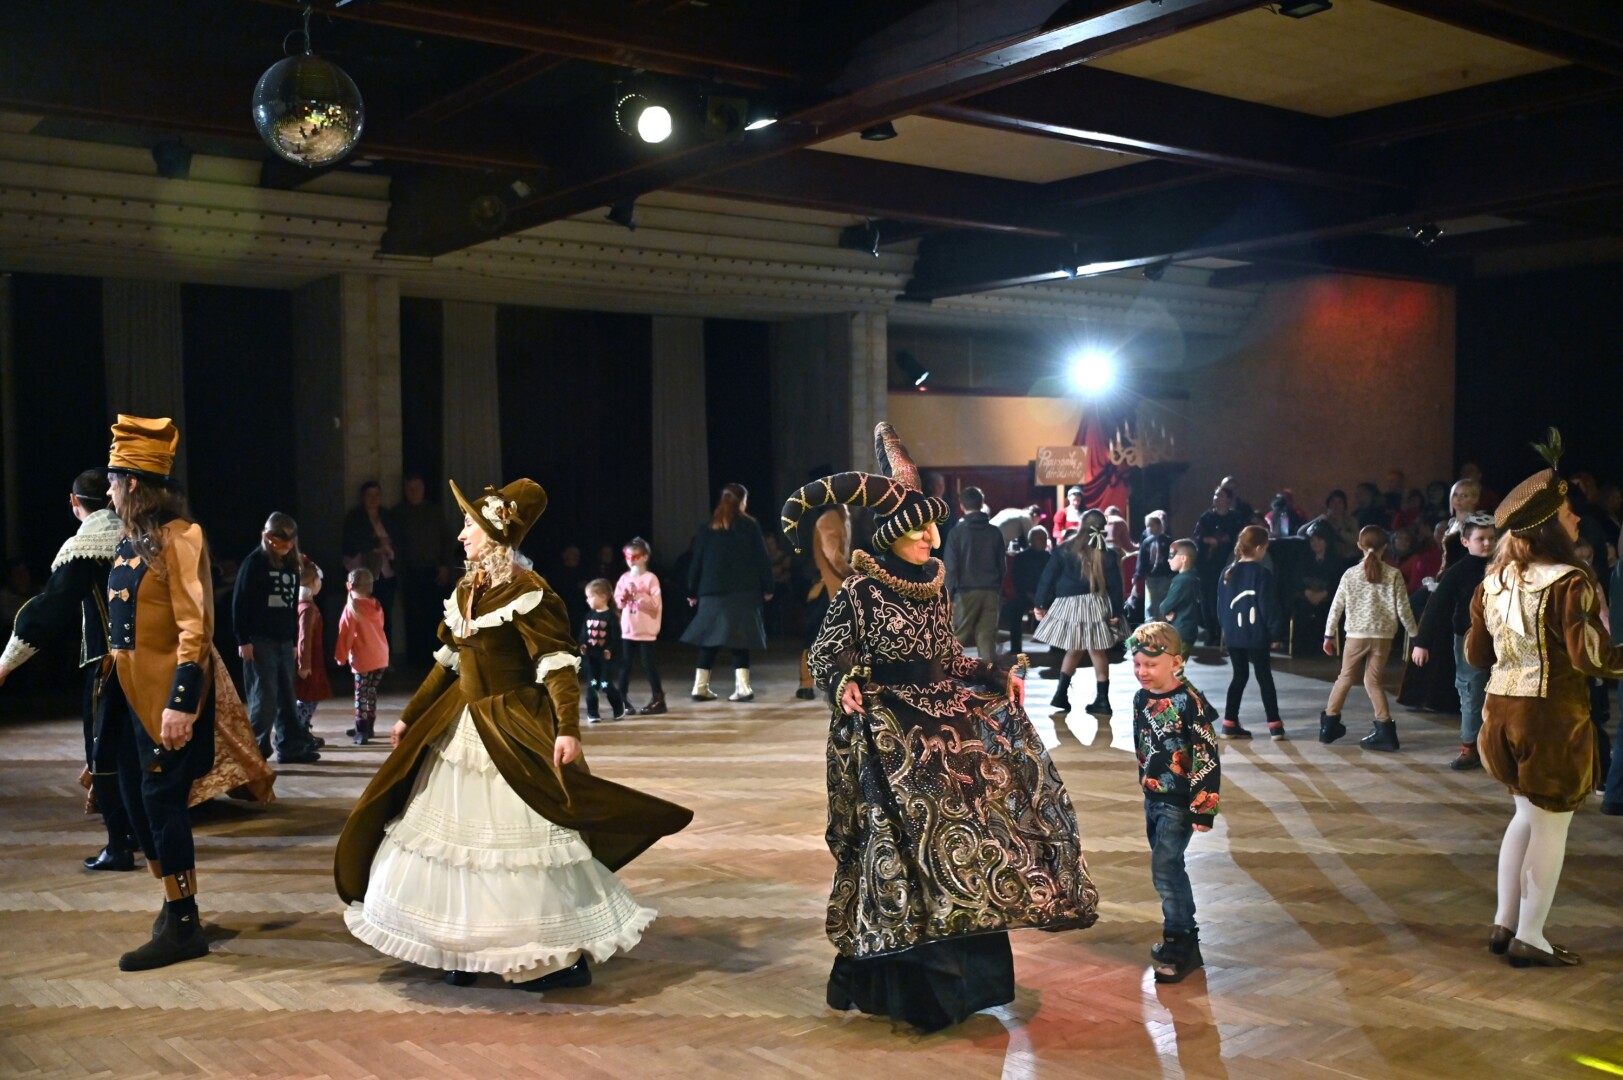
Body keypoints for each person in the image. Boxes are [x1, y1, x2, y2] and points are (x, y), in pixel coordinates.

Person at [784, 423, 1097, 1033]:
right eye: (920, 529)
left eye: (933, 526)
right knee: (902, 852)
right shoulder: (862, 589)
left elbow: (947, 657)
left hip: (947, 729)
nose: (932, 537)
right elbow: (825, 651)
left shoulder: (932, 583)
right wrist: (843, 679)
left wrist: (995, 672)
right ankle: (914, 992)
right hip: (890, 737)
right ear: (892, 534)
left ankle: (964, 985)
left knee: (971, 840)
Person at [335, 477, 693, 989]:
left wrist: (568, 728)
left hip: (511, 723)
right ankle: (460, 948)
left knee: (515, 848)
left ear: (497, 534)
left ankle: (548, 957)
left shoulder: (530, 592)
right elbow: (448, 663)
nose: (461, 534)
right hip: (461, 722)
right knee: (452, 844)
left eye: (470, 525)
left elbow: (557, 666)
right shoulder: (467, 589)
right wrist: (410, 716)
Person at [1465, 431, 1623, 967]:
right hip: (1551, 720)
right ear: (1550, 525)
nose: (1577, 518)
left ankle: (1505, 923)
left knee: (1524, 818)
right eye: (1568, 512)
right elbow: (1591, 658)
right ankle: (1530, 936)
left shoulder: (1493, 580)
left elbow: (1476, 654)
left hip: (1498, 716)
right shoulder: (1569, 580)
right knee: (1551, 826)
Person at [99, 416, 217, 970]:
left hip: (167, 699)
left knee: (161, 802)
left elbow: (196, 626)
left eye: (113, 481)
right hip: (129, 698)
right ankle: (172, 903)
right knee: (133, 798)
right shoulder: (132, 541)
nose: (108, 492)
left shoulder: (181, 537)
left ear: (133, 484)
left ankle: (185, 923)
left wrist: (181, 701)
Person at [0, 467, 134, 871]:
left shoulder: (84, 546)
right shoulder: (137, 534)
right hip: (149, 662)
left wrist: (6, 662)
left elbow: (50, 608)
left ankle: (119, 845)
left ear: (74, 502)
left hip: (109, 664)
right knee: (134, 751)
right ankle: (143, 835)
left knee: (103, 752)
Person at [1128, 621, 1220, 984]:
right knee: (1169, 866)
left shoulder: (1188, 702)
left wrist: (1204, 807)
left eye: (1151, 664)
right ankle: (1181, 938)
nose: (1142, 671)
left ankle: (1180, 941)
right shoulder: (1141, 698)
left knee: (1165, 868)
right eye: (1137, 664)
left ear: (1175, 663)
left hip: (1180, 802)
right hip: (1153, 797)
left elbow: (1206, 754)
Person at [1321, 526, 1421, 750]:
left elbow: (1336, 607)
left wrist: (1329, 634)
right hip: (1383, 637)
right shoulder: (1393, 574)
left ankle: (1329, 724)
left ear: (1359, 545)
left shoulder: (1350, 574)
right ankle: (1385, 729)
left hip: (1356, 635)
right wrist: (1415, 636)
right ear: (1386, 547)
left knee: (1345, 677)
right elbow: (1403, 609)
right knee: (1373, 681)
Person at [1410, 513, 1496, 769]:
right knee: (1471, 690)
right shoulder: (1457, 572)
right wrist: (1422, 642)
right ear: (1466, 542)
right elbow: (1436, 606)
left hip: (1502, 638)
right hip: (1469, 639)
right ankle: (1470, 746)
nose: (1487, 543)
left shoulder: (1505, 567)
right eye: (1480, 539)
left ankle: (1500, 746)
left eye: (1491, 538)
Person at [234, 513, 318, 764]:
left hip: (283, 640)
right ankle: (255, 752)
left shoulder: (291, 564)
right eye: (281, 540)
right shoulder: (254, 563)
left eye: (291, 540)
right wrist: (243, 639)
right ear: (268, 537)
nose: (287, 546)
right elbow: (240, 602)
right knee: (265, 697)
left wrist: (292, 640)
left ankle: (290, 747)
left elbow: (291, 604)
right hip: (260, 640)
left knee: (287, 697)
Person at [681, 483, 773, 703]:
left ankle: (699, 687)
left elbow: (697, 561)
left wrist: (691, 590)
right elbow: (762, 559)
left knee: (708, 639)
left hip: (711, 591)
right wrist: (768, 587)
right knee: (740, 640)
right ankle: (743, 688)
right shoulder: (750, 526)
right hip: (744, 592)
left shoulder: (707, 528)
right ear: (742, 501)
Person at [1033, 509, 1124, 717]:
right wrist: (1117, 610)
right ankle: (1102, 700)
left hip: (1069, 604)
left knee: (1073, 649)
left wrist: (1040, 603)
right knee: (1097, 651)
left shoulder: (1064, 549)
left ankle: (1061, 694)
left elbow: (1048, 577)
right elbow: (1116, 585)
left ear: (1081, 524)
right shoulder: (1107, 553)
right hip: (1096, 604)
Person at [1215, 525, 1285, 740]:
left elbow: (1221, 606)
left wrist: (1226, 629)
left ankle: (1229, 722)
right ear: (1258, 548)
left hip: (1233, 636)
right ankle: (1275, 726)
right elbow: (1267, 606)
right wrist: (1275, 633)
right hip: (1256, 635)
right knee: (1264, 677)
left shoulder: (1227, 572)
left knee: (1239, 676)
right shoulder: (1262, 574)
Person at [787, 502, 851, 701]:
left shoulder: (837, 517)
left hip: (834, 588)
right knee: (817, 637)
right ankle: (807, 684)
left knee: (822, 638)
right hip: (829, 589)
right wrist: (852, 572)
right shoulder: (830, 519)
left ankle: (812, 684)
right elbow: (833, 556)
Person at [394, 475, 455, 669]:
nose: (413, 493)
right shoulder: (399, 514)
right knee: (413, 617)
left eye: (417, 488)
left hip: (434, 571)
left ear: (423, 490)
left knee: (434, 615)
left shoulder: (434, 512)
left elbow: (447, 540)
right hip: (410, 572)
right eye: (410, 489)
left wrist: (445, 566)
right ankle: (415, 660)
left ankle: (436, 659)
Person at [943, 486, 1004, 661]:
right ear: (982, 503)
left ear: (962, 506)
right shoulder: (994, 532)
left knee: (958, 636)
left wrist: (948, 593)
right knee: (987, 638)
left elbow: (951, 567)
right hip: (990, 591)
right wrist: (997, 587)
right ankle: (989, 674)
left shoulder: (957, 532)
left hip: (966, 592)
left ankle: (945, 671)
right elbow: (1001, 565)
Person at [335, 568, 389, 745]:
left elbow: (346, 635)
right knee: (371, 693)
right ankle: (369, 727)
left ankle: (361, 731)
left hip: (364, 659)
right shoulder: (376, 604)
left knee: (361, 695)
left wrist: (341, 656)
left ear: (349, 585)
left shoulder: (352, 608)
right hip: (381, 656)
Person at [613, 537, 667, 714]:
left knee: (648, 664)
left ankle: (658, 699)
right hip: (629, 628)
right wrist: (623, 598)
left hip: (646, 629)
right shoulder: (624, 578)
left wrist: (638, 595)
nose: (631, 561)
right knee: (626, 664)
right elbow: (618, 602)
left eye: (635, 557)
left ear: (644, 557)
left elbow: (655, 604)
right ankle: (621, 699)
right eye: (628, 557)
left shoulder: (651, 579)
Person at [341, 480, 398, 646]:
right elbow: (355, 541)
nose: (373, 499)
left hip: (386, 574)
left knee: (385, 616)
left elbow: (397, 539)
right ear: (362, 497)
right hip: (363, 575)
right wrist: (378, 543)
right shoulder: (354, 517)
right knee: (363, 615)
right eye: (369, 495)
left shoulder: (387, 516)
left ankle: (385, 654)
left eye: (377, 495)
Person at [1192, 487, 1242, 645]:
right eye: (1215, 495)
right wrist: (1206, 540)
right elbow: (1197, 535)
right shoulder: (1206, 517)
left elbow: (1240, 538)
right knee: (1207, 598)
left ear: (1229, 499)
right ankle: (1211, 632)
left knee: (1222, 598)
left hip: (1226, 565)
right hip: (1207, 565)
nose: (1217, 498)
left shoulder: (1235, 518)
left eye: (1221, 495)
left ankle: (1223, 632)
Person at [294, 558, 332, 745]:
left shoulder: (304, 605)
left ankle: (301, 730)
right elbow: (304, 637)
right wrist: (304, 664)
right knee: (308, 697)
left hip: (311, 658)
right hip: (309, 659)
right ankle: (298, 731)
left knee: (309, 696)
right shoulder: (308, 608)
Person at [580, 578, 626, 723]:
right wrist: (583, 645)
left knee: (605, 684)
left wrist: (610, 650)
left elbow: (616, 638)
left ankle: (618, 707)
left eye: (590, 596)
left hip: (605, 660)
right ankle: (592, 712)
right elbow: (584, 635)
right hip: (591, 658)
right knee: (592, 685)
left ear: (603, 597)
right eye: (587, 597)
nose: (587, 600)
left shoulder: (611, 618)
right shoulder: (588, 616)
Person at [1004, 525, 1050, 658]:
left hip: (1045, 595)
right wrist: (1029, 594)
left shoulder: (1050, 557)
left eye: (1045, 539)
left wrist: (1044, 595)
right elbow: (1018, 579)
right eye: (1040, 539)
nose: (1043, 542)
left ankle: (1057, 646)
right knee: (1014, 608)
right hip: (1026, 593)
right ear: (1031, 540)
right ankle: (1015, 647)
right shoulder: (1021, 557)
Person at [1157, 539, 1203, 654]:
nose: (1168, 559)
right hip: (1188, 629)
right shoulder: (1194, 576)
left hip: (1180, 630)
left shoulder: (1182, 580)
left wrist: (1165, 610)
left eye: (1171, 555)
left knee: (1174, 664)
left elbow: (1165, 606)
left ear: (1183, 558)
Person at [1134, 511, 1175, 621]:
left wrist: (1172, 573)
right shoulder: (1146, 542)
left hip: (1164, 575)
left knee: (1163, 599)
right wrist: (1138, 574)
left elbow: (1171, 558)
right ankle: (1150, 621)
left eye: (1152, 525)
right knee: (1151, 601)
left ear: (1160, 526)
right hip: (1151, 576)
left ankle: (1162, 620)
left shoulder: (1167, 541)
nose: (1150, 528)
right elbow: (1141, 560)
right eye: (1148, 526)